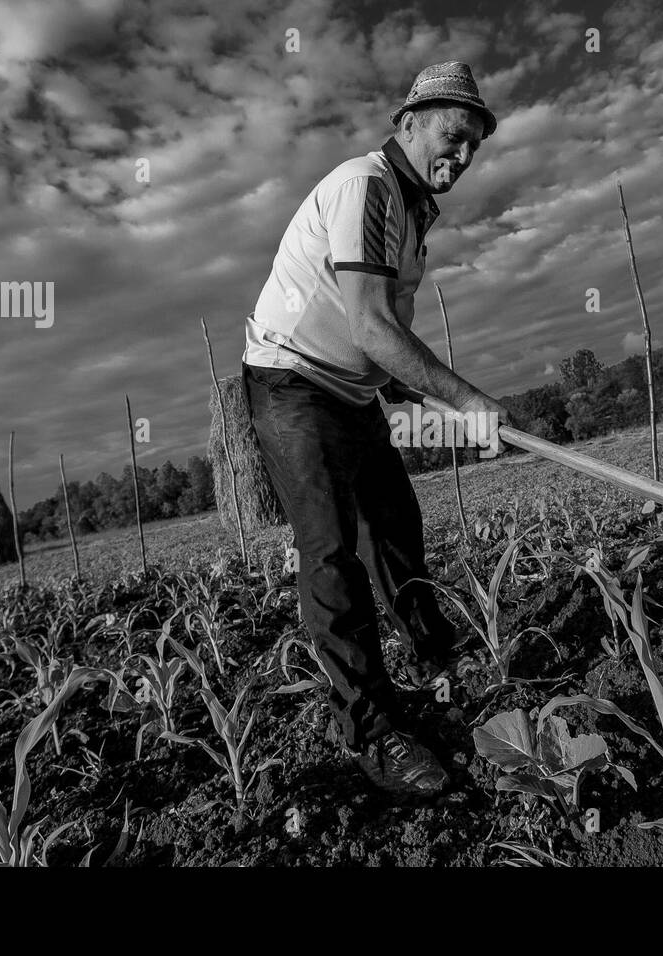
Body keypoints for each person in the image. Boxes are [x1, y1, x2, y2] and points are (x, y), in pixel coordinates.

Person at [240, 62, 515, 796]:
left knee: (393, 528)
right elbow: (368, 325)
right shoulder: (367, 186)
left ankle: (439, 663)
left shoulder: (413, 213)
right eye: (451, 138)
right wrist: (465, 400)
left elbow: (380, 343)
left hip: (351, 391)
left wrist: (421, 394)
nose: (459, 157)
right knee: (331, 554)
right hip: (293, 382)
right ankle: (373, 732)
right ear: (408, 125)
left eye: (471, 148)